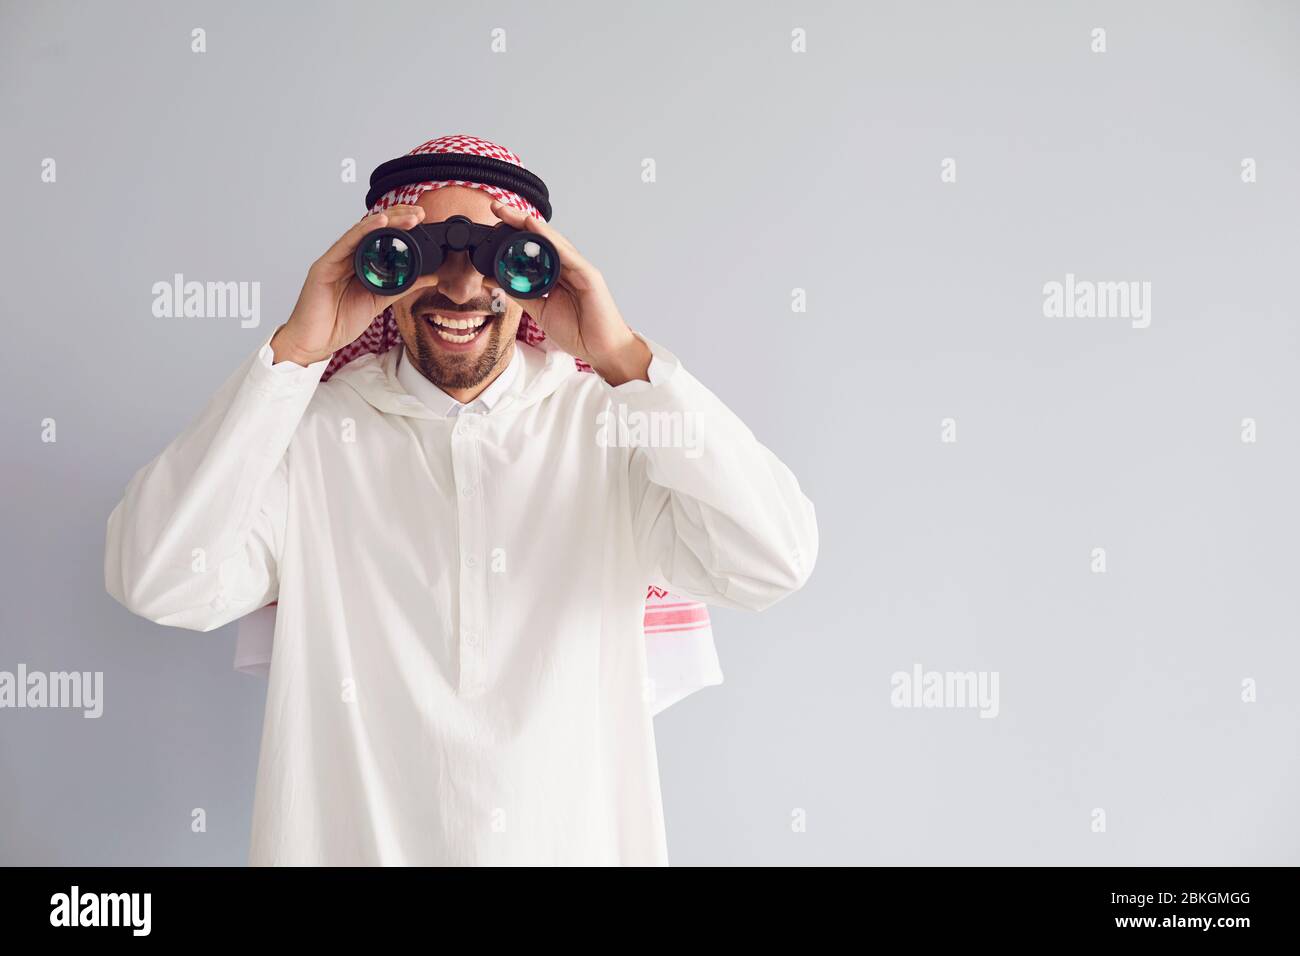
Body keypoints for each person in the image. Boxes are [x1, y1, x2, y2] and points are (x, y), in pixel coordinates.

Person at [104, 133, 819, 865]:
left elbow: (771, 560)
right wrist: (292, 357)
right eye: (421, 255)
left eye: (492, 254)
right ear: (376, 268)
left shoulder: (611, 424)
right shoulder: (309, 435)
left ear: (540, 271)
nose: (460, 287)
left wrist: (625, 360)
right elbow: (157, 580)